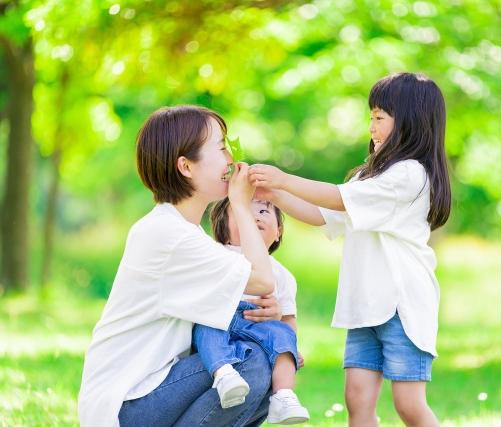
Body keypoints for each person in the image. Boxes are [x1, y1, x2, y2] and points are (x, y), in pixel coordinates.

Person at [248, 72, 451, 427]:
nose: (370, 126)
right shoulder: (368, 177)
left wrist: (283, 178)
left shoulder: (409, 175)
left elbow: (337, 198)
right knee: (356, 399)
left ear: (409, 123)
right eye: (370, 116)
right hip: (366, 306)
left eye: (379, 117)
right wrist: (275, 194)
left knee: (408, 404)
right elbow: (322, 214)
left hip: (402, 306)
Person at [78, 105, 280, 427]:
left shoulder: (183, 231)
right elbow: (262, 279)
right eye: (221, 146)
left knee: (270, 359)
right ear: (186, 166)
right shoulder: (169, 235)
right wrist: (241, 204)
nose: (231, 157)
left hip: (149, 391)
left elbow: (252, 290)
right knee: (252, 361)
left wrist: (265, 312)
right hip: (126, 403)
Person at [191, 197, 309, 424]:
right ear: (223, 229)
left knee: (282, 335)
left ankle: (283, 396)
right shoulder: (216, 254)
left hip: (259, 326)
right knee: (206, 329)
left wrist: (290, 347)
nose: (255, 216)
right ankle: (224, 374)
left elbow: (287, 319)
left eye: (264, 211)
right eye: (242, 210)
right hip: (220, 319)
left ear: (278, 232)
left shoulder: (282, 275)